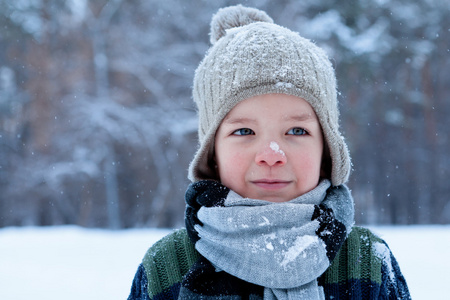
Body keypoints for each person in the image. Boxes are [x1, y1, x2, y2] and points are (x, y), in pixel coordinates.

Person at [128, 5, 410, 300]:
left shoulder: (366, 262)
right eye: (244, 132)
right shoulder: (167, 267)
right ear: (212, 153)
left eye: (297, 131)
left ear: (327, 151)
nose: (272, 154)